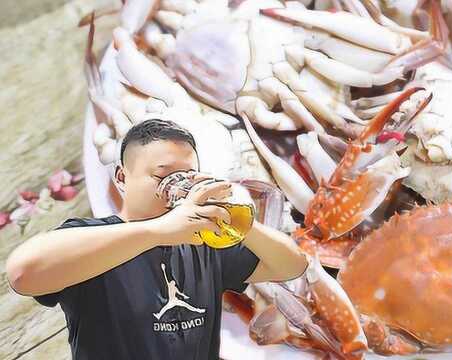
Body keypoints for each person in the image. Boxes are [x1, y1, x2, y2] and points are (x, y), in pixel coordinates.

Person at [6, 119, 308, 360]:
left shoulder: (202, 244)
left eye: (188, 174)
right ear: (122, 178)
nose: (175, 185)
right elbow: (22, 274)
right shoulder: (91, 238)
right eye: (161, 176)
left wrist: (240, 220)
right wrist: (159, 230)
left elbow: (291, 265)